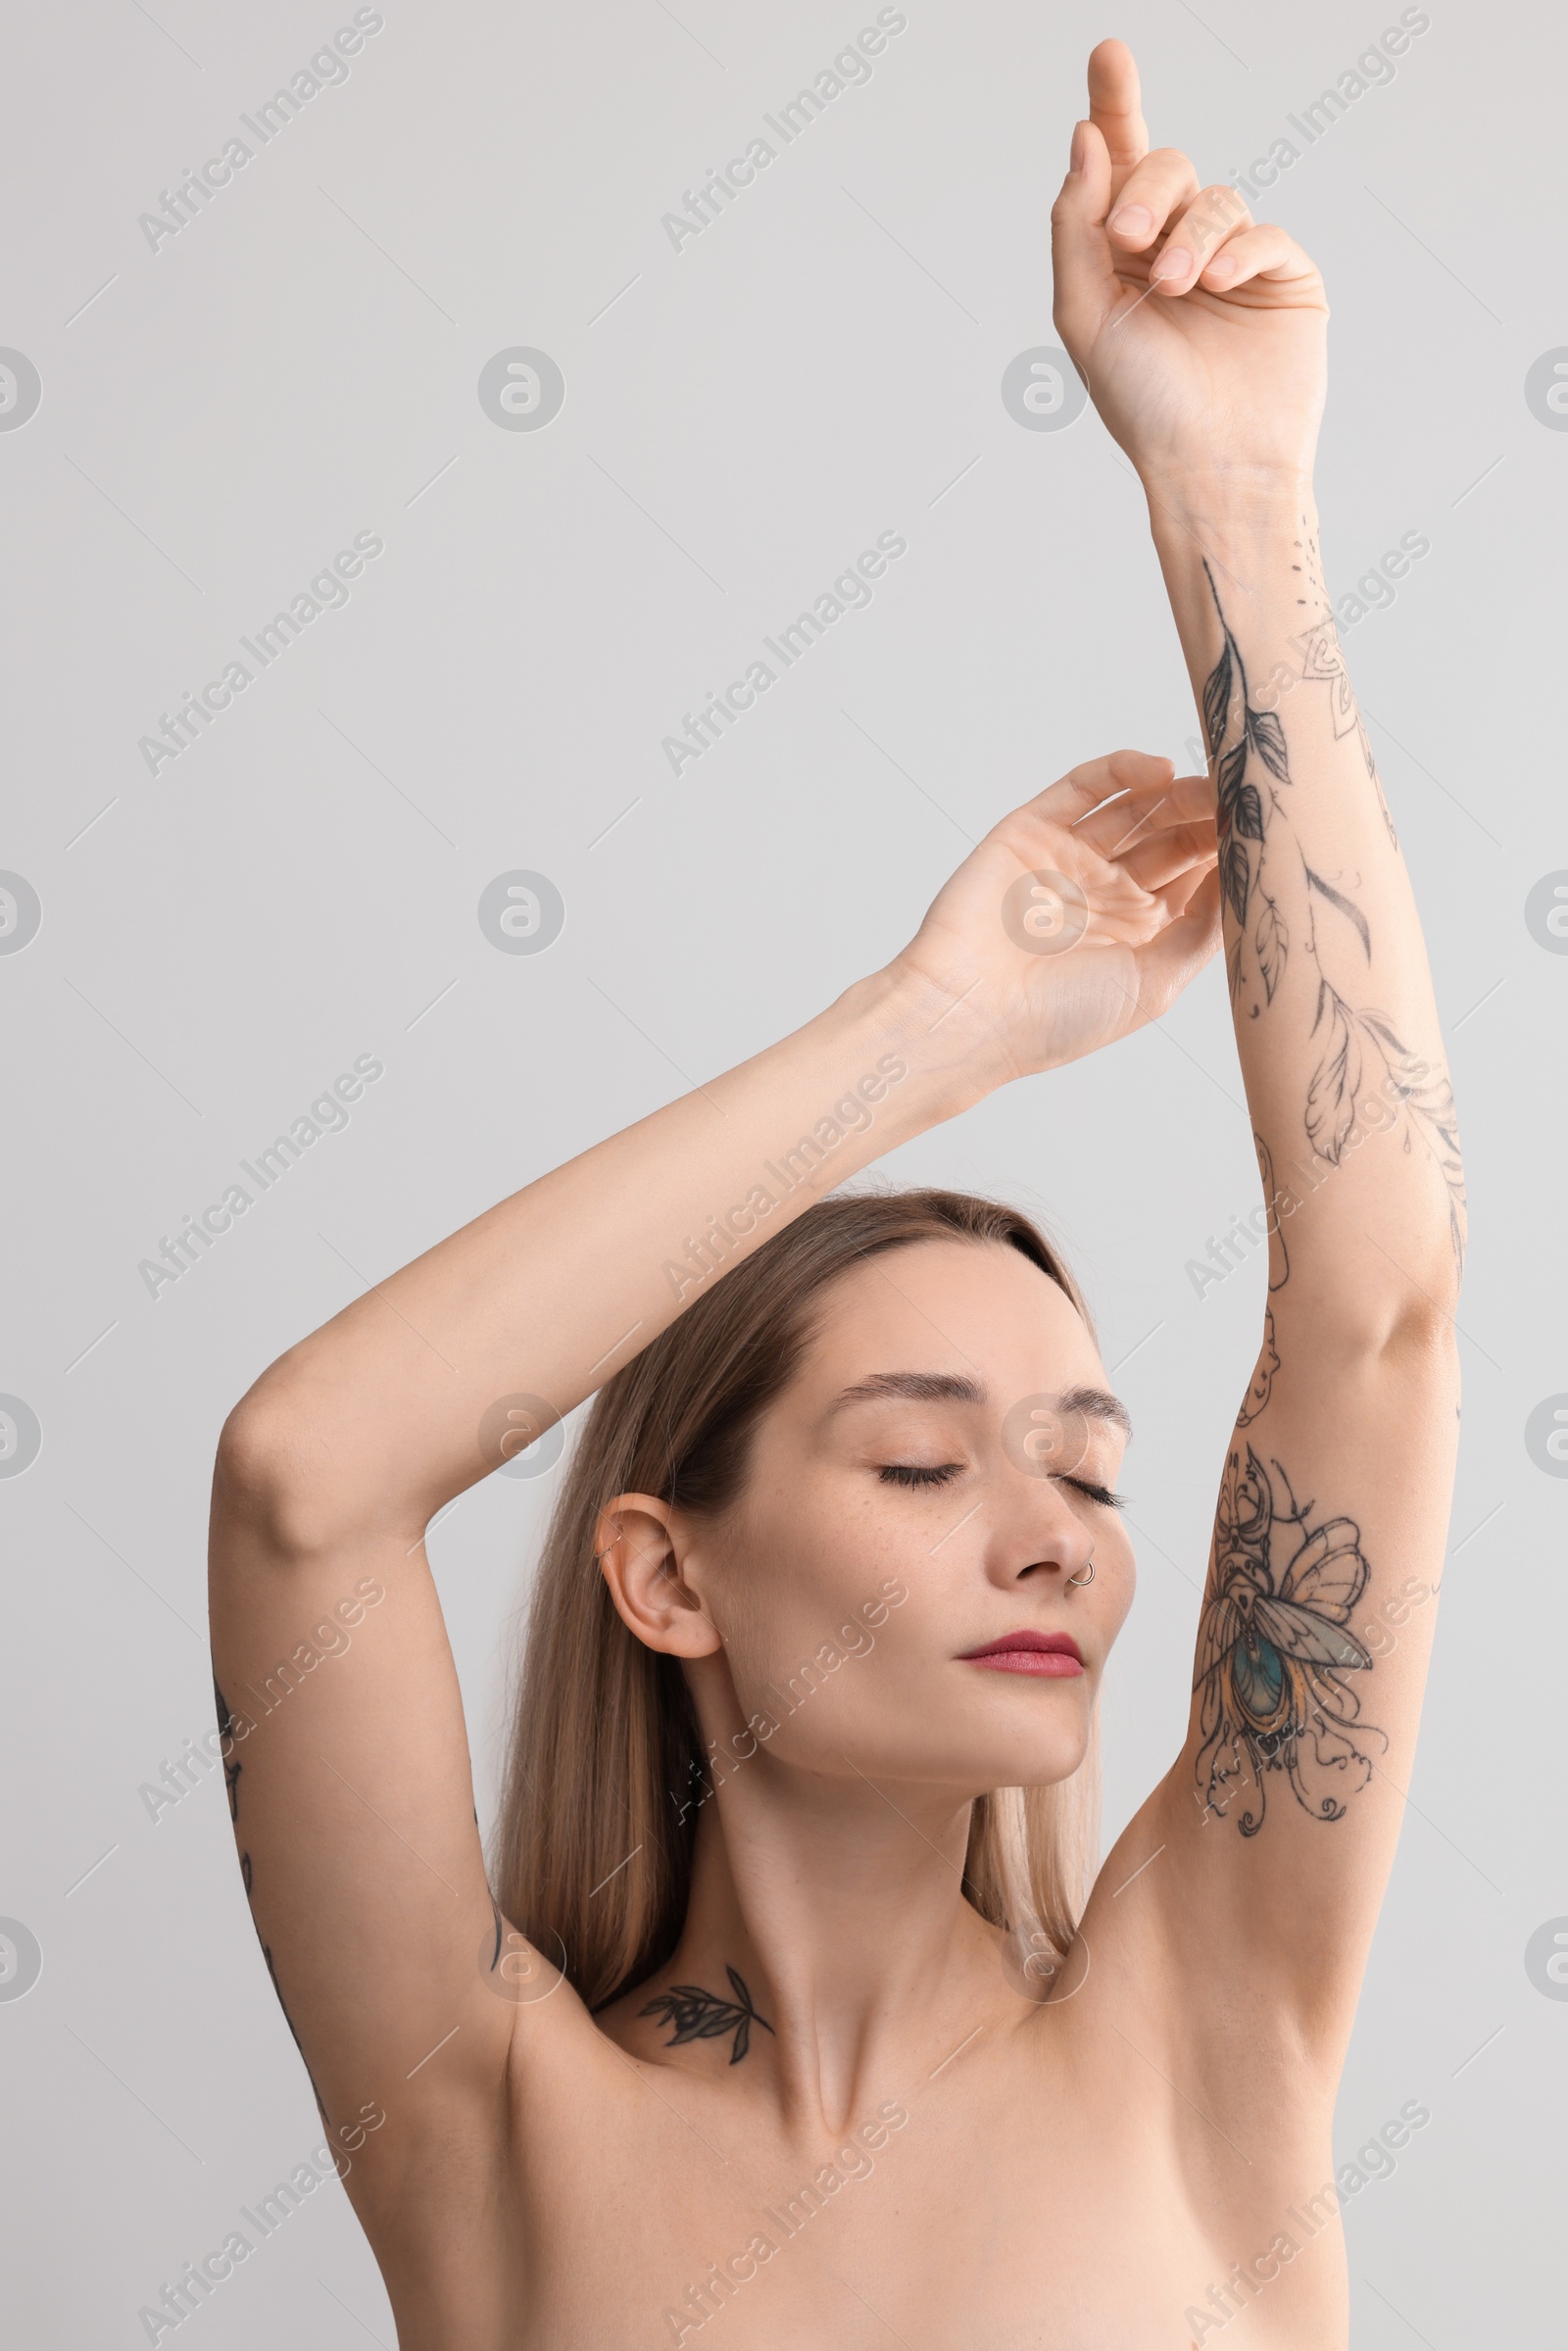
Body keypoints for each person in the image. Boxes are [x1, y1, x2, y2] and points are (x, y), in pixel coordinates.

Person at [208, 40, 1463, 2348]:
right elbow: (306, 1480)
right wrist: (928, 1030)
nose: (1054, 1533)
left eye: (1087, 1465)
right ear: (662, 1571)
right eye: (918, 1454)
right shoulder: (493, 2128)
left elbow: (1369, 1308)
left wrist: (1230, 492)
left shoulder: (1202, 2025)